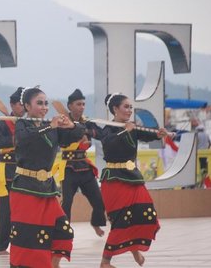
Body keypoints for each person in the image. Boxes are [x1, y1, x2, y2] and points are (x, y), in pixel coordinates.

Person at [9, 86, 82, 268]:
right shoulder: (22, 124)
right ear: (27, 106)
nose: (44, 107)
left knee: (64, 231)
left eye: (46, 103)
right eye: (39, 103)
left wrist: (71, 125)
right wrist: (50, 126)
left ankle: (53, 264)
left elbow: (78, 133)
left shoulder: (51, 127)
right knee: (28, 237)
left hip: (47, 189)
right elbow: (24, 140)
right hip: (25, 187)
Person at [99, 93, 168, 268]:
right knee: (121, 220)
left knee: (146, 214)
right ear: (115, 109)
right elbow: (108, 144)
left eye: (131, 107)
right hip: (114, 181)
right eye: (126, 107)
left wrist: (159, 135)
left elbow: (146, 135)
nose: (129, 110)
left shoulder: (133, 127)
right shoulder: (108, 128)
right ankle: (105, 261)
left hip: (133, 178)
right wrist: (125, 130)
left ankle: (134, 250)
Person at [53, 89, 106, 237]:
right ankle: (63, 232)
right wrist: (76, 133)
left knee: (99, 201)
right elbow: (62, 140)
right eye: (78, 104)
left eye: (83, 104)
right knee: (67, 203)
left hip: (84, 166)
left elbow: (100, 134)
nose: (81, 107)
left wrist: (86, 132)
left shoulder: (86, 121)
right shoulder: (62, 122)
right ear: (70, 106)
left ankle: (96, 222)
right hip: (69, 167)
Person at [0, 87, 25, 255]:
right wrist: (14, 138)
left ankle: (22, 241)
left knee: (24, 208)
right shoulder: (3, 122)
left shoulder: (28, 122)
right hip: (6, 169)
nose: (23, 107)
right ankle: (2, 246)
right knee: (6, 210)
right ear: (12, 105)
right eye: (20, 104)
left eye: (24, 104)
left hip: (24, 168)